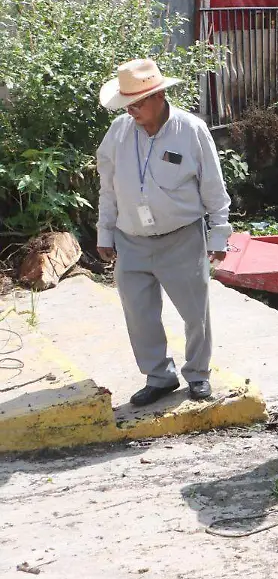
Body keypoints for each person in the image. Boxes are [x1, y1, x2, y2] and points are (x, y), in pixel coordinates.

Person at [95, 58, 231, 406]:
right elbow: (108, 188)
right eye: (128, 103)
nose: (133, 110)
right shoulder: (118, 132)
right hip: (131, 239)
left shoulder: (191, 130)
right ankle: (159, 376)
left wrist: (218, 234)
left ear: (159, 96)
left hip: (182, 238)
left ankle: (198, 374)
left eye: (139, 102)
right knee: (139, 315)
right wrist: (105, 232)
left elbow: (213, 187)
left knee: (195, 313)